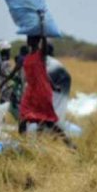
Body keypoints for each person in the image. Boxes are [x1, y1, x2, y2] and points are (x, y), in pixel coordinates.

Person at [18, 14, 74, 148]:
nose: (28, 40)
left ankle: (69, 144)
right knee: (24, 119)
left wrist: (41, 22)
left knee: (47, 121)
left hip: (41, 92)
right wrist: (54, 86)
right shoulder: (29, 56)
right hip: (31, 91)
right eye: (28, 39)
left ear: (37, 41)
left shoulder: (40, 55)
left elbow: (43, 39)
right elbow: (43, 74)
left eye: (31, 39)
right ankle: (26, 146)